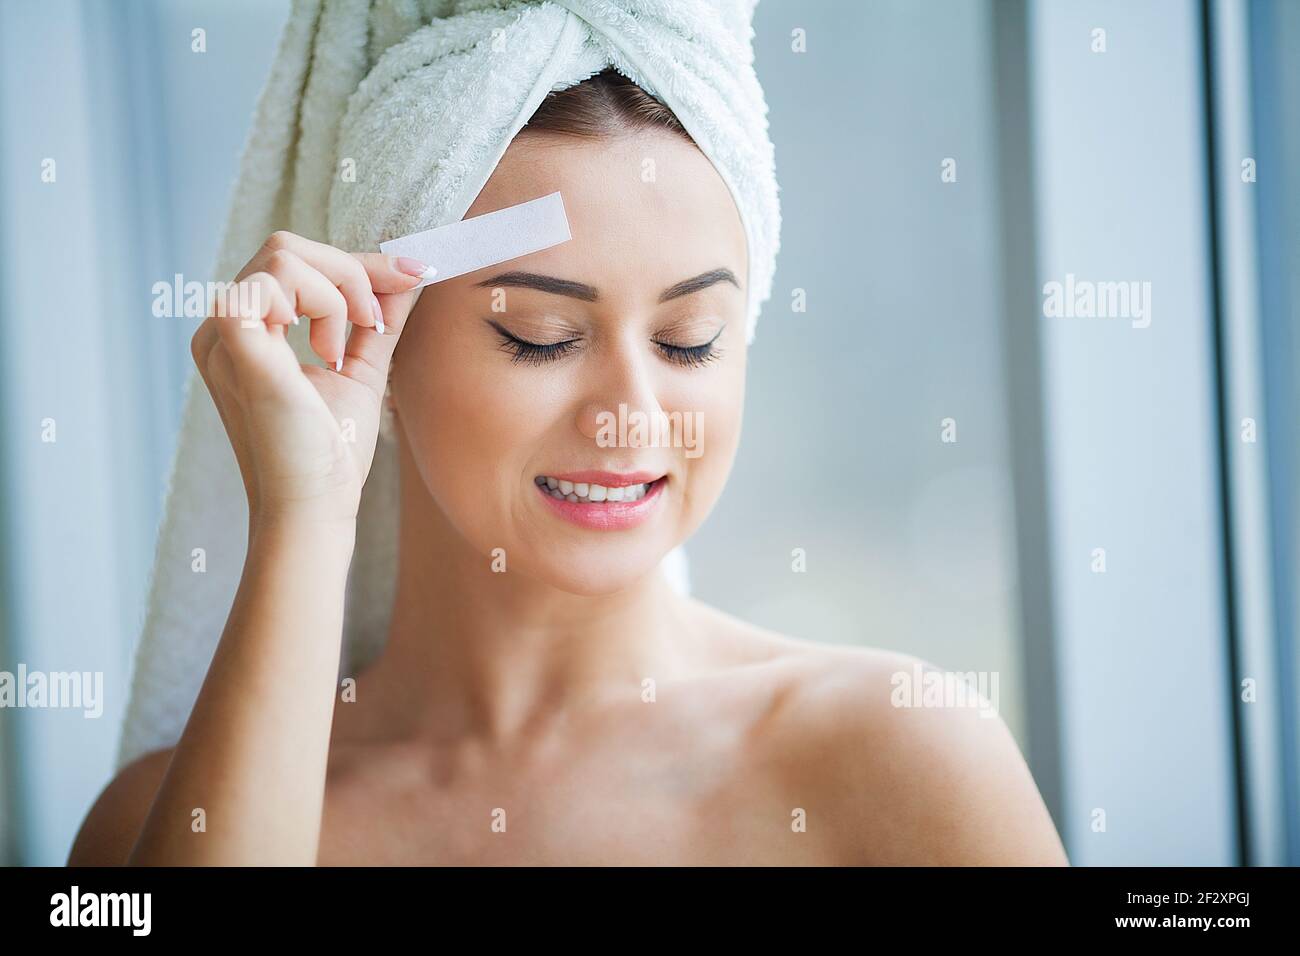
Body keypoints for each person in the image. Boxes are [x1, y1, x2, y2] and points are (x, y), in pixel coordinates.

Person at [68, 64, 1066, 868]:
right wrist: (302, 516)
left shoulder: (901, 758)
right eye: (541, 337)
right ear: (377, 346)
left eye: (689, 339)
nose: (633, 415)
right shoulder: (165, 823)